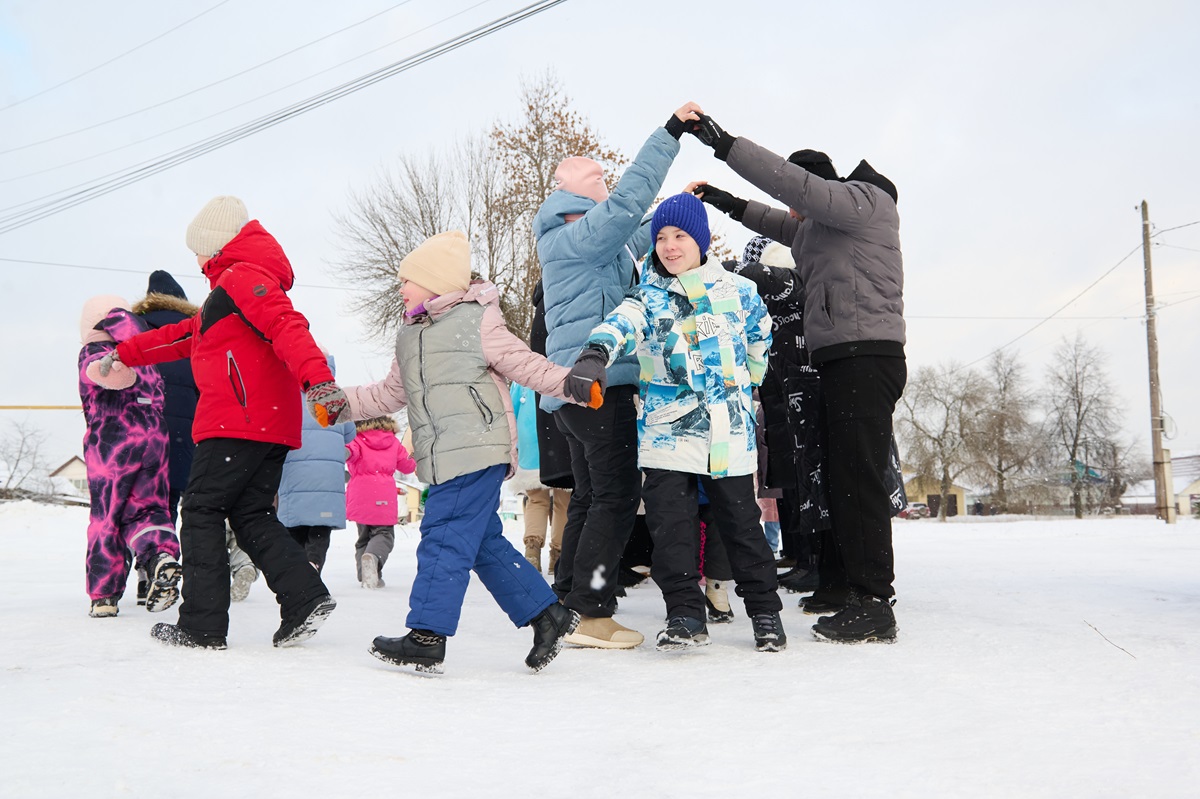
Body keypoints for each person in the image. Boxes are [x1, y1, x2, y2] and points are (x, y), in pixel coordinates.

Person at [688, 114, 906, 643]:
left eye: (801, 199)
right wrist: (721, 200)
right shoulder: (819, 228)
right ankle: (848, 586)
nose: (794, 212)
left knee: (859, 479)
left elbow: (789, 184)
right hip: (837, 356)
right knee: (837, 479)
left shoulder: (862, 203)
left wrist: (722, 144)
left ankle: (876, 601)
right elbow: (774, 219)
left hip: (865, 353)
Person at [99, 195, 346, 650]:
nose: (194, 259)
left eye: (197, 249)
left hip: (238, 419)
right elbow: (181, 337)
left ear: (216, 246)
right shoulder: (226, 293)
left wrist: (320, 381)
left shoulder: (242, 278)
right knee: (251, 512)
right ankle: (304, 598)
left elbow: (288, 325)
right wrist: (124, 353)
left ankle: (202, 624)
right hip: (266, 423)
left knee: (200, 509)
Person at [342, 230, 583, 674]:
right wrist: (341, 402)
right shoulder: (408, 335)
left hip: (476, 444)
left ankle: (426, 636)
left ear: (435, 281)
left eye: (407, 279)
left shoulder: (479, 320)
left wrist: (572, 384)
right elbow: (389, 393)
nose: (400, 288)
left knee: (444, 536)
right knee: (480, 543)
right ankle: (548, 615)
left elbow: (526, 364)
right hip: (444, 453)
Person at [565, 192, 786, 653]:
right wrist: (594, 353)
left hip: (728, 434)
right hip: (667, 434)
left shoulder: (739, 291)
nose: (668, 245)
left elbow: (759, 338)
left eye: (679, 235)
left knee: (742, 528)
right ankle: (685, 614)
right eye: (661, 237)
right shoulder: (648, 297)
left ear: (700, 240)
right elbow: (619, 324)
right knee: (672, 530)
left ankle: (765, 613)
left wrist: (749, 382)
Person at [532, 103, 701, 649]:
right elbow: (627, 207)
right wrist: (669, 135)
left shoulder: (585, 239)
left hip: (584, 387)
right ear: (583, 199)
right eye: (600, 191)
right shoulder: (571, 233)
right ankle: (592, 610)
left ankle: (568, 601)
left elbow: (639, 232)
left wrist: (680, 208)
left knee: (590, 495)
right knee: (617, 494)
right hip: (595, 383)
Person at [77, 296, 181, 618]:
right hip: (155, 437)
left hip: (113, 441)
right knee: (148, 509)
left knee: (107, 517)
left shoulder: (95, 352)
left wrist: (111, 370)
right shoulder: (144, 354)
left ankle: (104, 594)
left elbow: (100, 373)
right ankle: (159, 557)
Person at [130, 270, 199, 605]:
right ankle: (183, 570)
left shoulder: (134, 331)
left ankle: (149, 570)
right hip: (190, 432)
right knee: (183, 504)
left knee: (148, 506)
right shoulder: (195, 333)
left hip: (145, 430)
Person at [278, 352, 357, 575]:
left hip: (294, 471)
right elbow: (349, 434)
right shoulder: (335, 398)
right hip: (327, 477)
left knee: (295, 526)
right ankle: (313, 563)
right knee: (320, 529)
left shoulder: (286, 394)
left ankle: (297, 573)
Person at [345, 415, 416, 589]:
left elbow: (350, 453)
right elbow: (408, 466)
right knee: (384, 534)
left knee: (363, 538)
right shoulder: (392, 440)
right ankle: (373, 557)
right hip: (383, 493)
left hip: (359, 494)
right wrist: (415, 455)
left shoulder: (356, 438)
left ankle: (366, 576)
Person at [510, 381, 570, 574]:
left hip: (530, 438)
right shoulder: (563, 365)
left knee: (536, 500)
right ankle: (558, 556)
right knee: (564, 501)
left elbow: (511, 409)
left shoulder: (522, 374)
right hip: (560, 435)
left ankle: (532, 551)